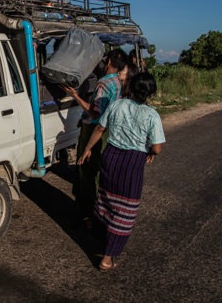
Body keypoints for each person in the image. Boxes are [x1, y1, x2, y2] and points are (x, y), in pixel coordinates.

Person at [78, 72, 165, 272]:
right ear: (150, 94)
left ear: (131, 88)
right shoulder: (151, 115)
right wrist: (150, 151)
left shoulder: (117, 105)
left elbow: (100, 129)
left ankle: (99, 234)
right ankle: (107, 259)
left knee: (107, 198)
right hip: (132, 162)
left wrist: (88, 148)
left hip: (111, 156)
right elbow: (158, 148)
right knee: (125, 209)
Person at [63, 48, 128, 226]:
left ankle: (86, 212)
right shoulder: (117, 82)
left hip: (94, 129)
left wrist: (75, 96)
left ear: (108, 63)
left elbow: (94, 112)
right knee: (97, 169)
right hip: (107, 130)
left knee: (86, 169)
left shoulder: (103, 84)